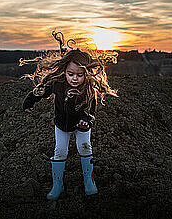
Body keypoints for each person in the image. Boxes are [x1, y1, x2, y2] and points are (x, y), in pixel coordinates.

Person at [21, 32, 117, 200]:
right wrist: (28, 103)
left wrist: (86, 121)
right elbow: (39, 92)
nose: (75, 78)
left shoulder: (88, 89)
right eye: (71, 74)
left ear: (86, 74)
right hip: (61, 125)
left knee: (85, 147)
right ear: (64, 71)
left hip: (81, 126)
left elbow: (91, 110)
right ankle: (57, 185)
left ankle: (89, 180)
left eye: (80, 75)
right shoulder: (56, 83)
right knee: (60, 151)